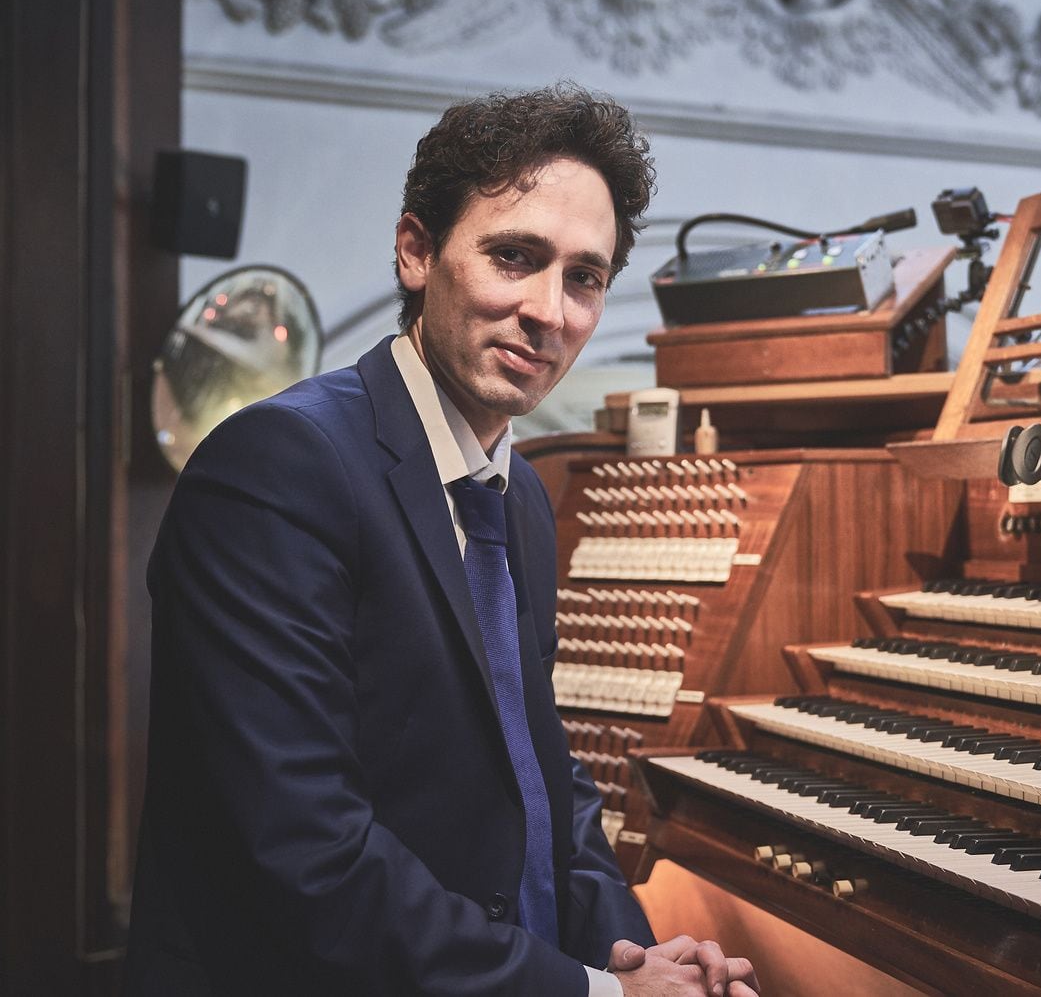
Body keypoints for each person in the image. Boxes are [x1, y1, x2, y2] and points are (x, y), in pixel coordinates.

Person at [124, 85, 759, 997]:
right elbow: (308, 852)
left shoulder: (524, 498)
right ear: (417, 250)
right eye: (515, 256)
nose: (552, 310)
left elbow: (544, 785)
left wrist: (637, 957)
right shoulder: (278, 466)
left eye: (585, 276)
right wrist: (602, 994)